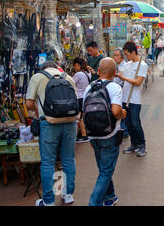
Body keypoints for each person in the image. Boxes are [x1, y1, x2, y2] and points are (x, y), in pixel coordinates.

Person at [25, 61, 79, 206]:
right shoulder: (68, 78)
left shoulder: (37, 77)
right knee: (68, 159)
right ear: (56, 68)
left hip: (49, 123)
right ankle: (67, 195)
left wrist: (39, 111)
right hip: (70, 122)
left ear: (43, 69)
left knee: (48, 162)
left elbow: (29, 104)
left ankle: (48, 201)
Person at [83, 58, 127, 206]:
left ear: (99, 71)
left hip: (93, 134)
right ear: (114, 73)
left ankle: (110, 197)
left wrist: (88, 135)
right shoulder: (114, 87)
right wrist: (123, 113)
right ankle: (93, 203)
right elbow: (116, 111)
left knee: (103, 168)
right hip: (109, 134)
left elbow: (84, 113)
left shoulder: (89, 88)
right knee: (106, 172)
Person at [115, 41, 148, 157]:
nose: (126, 57)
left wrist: (123, 78)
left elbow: (138, 82)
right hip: (125, 98)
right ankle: (134, 144)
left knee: (135, 123)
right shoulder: (128, 64)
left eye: (127, 54)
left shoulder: (142, 65)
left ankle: (142, 145)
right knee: (128, 123)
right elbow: (121, 75)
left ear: (133, 52)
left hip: (134, 100)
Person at [72, 57, 91, 143]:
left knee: (79, 117)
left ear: (78, 65)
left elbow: (71, 82)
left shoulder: (78, 74)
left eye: (75, 66)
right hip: (86, 96)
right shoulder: (87, 73)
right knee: (82, 116)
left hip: (79, 97)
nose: (74, 68)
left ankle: (83, 135)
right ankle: (82, 134)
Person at [113, 48, 129, 138]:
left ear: (122, 57)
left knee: (121, 112)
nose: (115, 57)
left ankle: (124, 131)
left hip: (122, 92)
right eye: (114, 55)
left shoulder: (123, 66)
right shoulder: (118, 65)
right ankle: (123, 130)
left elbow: (123, 80)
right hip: (118, 92)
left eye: (117, 55)